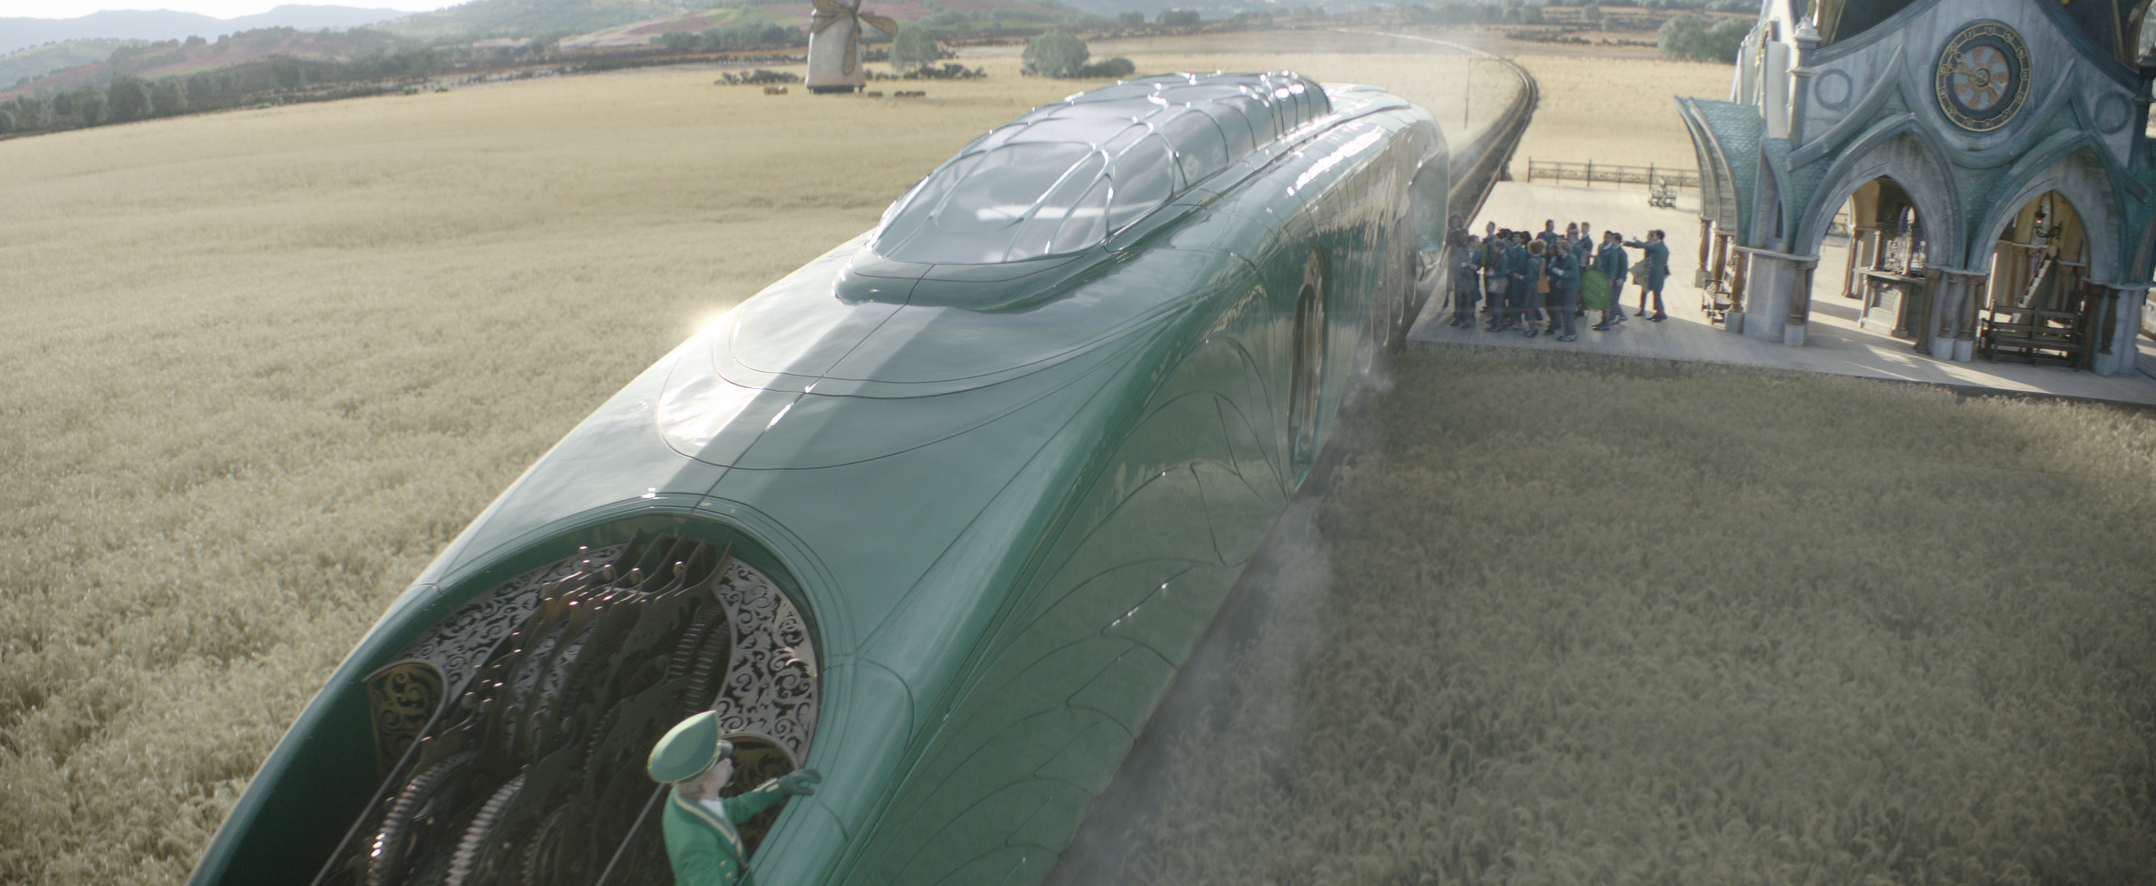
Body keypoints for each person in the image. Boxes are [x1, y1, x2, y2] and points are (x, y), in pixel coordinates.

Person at [650, 711, 823, 886]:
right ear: (706, 785)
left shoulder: (683, 792)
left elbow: (729, 810)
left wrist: (778, 788)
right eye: (721, 764)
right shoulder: (697, 844)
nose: (728, 762)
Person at [1623, 229, 1671, 321]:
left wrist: (1635, 240)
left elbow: (1644, 245)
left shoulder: (1657, 245)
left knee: (1656, 294)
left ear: (1657, 236)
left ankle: (1660, 313)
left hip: (1655, 273)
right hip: (1657, 272)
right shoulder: (1662, 246)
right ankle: (1659, 312)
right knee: (1656, 294)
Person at [1592, 230, 1630, 330]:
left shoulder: (1618, 252)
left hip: (1613, 280)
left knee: (1611, 300)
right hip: (1605, 278)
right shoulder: (1604, 248)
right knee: (1609, 300)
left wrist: (1619, 278)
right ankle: (1610, 318)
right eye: (1606, 237)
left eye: (1610, 238)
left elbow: (1622, 267)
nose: (1607, 239)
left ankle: (1610, 319)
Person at [1549, 236, 1581, 341]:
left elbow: (1573, 273)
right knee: (1566, 311)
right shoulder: (1565, 258)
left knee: (1568, 311)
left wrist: (1560, 272)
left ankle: (1570, 334)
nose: (1558, 250)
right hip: (1566, 286)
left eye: (1559, 248)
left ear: (1564, 249)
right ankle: (1568, 333)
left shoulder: (1571, 258)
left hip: (1570, 288)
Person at [1451, 235, 1482, 327]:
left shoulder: (1478, 252)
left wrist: (1475, 267)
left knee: (1470, 299)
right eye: (1476, 242)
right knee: (1459, 299)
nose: (1478, 243)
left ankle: (1469, 318)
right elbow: (1454, 264)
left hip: (1472, 279)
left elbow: (1479, 265)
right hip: (1461, 278)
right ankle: (1458, 317)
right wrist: (1465, 264)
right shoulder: (1460, 251)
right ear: (1471, 243)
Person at [1522, 238, 1549, 337]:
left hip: (1531, 287)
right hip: (1539, 286)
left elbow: (1529, 277)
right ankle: (1535, 326)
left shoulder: (1531, 261)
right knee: (1535, 306)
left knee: (1529, 307)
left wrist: (1520, 277)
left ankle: (1532, 328)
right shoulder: (1543, 260)